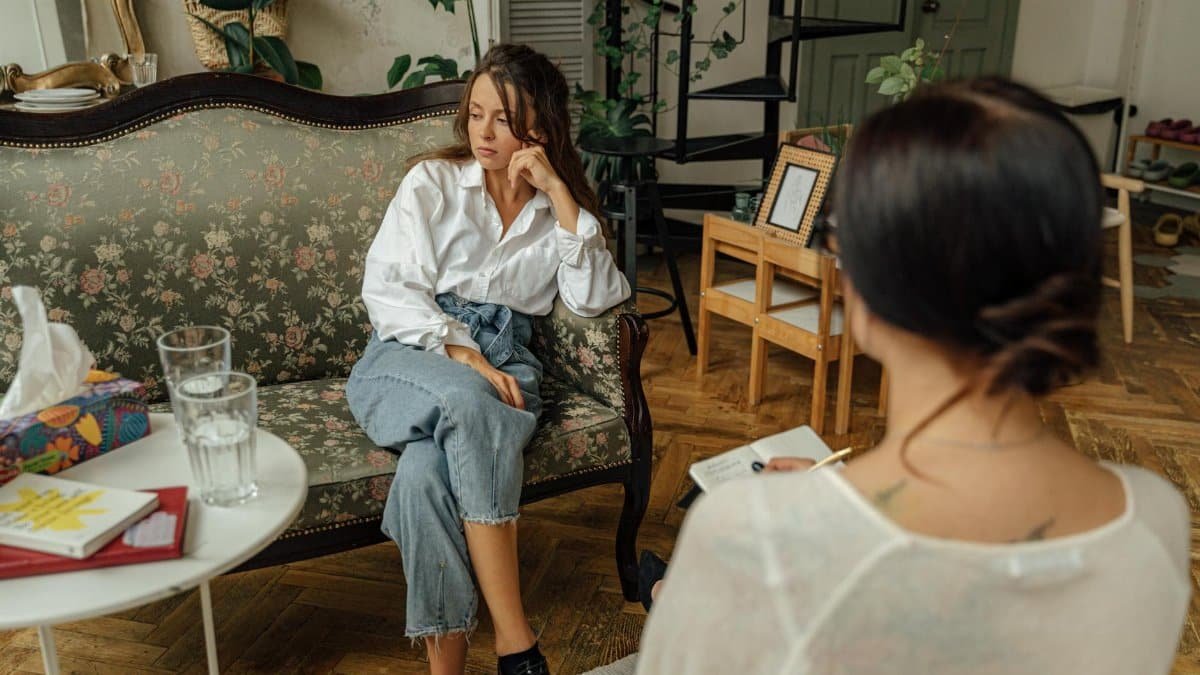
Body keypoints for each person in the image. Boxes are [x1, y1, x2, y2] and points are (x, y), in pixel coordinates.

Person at [632, 78, 1191, 674]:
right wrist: (838, 498)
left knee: (668, 596)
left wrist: (781, 529)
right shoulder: (1156, 518)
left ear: (868, 281)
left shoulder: (753, 535)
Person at [346, 44, 630, 675]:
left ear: (540, 126)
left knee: (425, 476)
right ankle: (515, 642)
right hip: (407, 355)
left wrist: (558, 192)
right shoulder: (433, 183)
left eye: (502, 119)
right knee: (468, 400)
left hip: (510, 359)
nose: (483, 132)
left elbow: (599, 296)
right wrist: (464, 356)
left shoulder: (549, 210)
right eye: (475, 115)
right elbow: (389, 292)